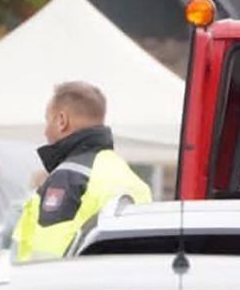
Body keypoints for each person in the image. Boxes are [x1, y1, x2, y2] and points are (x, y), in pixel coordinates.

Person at [13, 81, 153, 260]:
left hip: (65, 286)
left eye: (48, 120)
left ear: (61, 121)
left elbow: (46, 260)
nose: (45, 131)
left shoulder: (68, 178)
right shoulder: (131, 178)